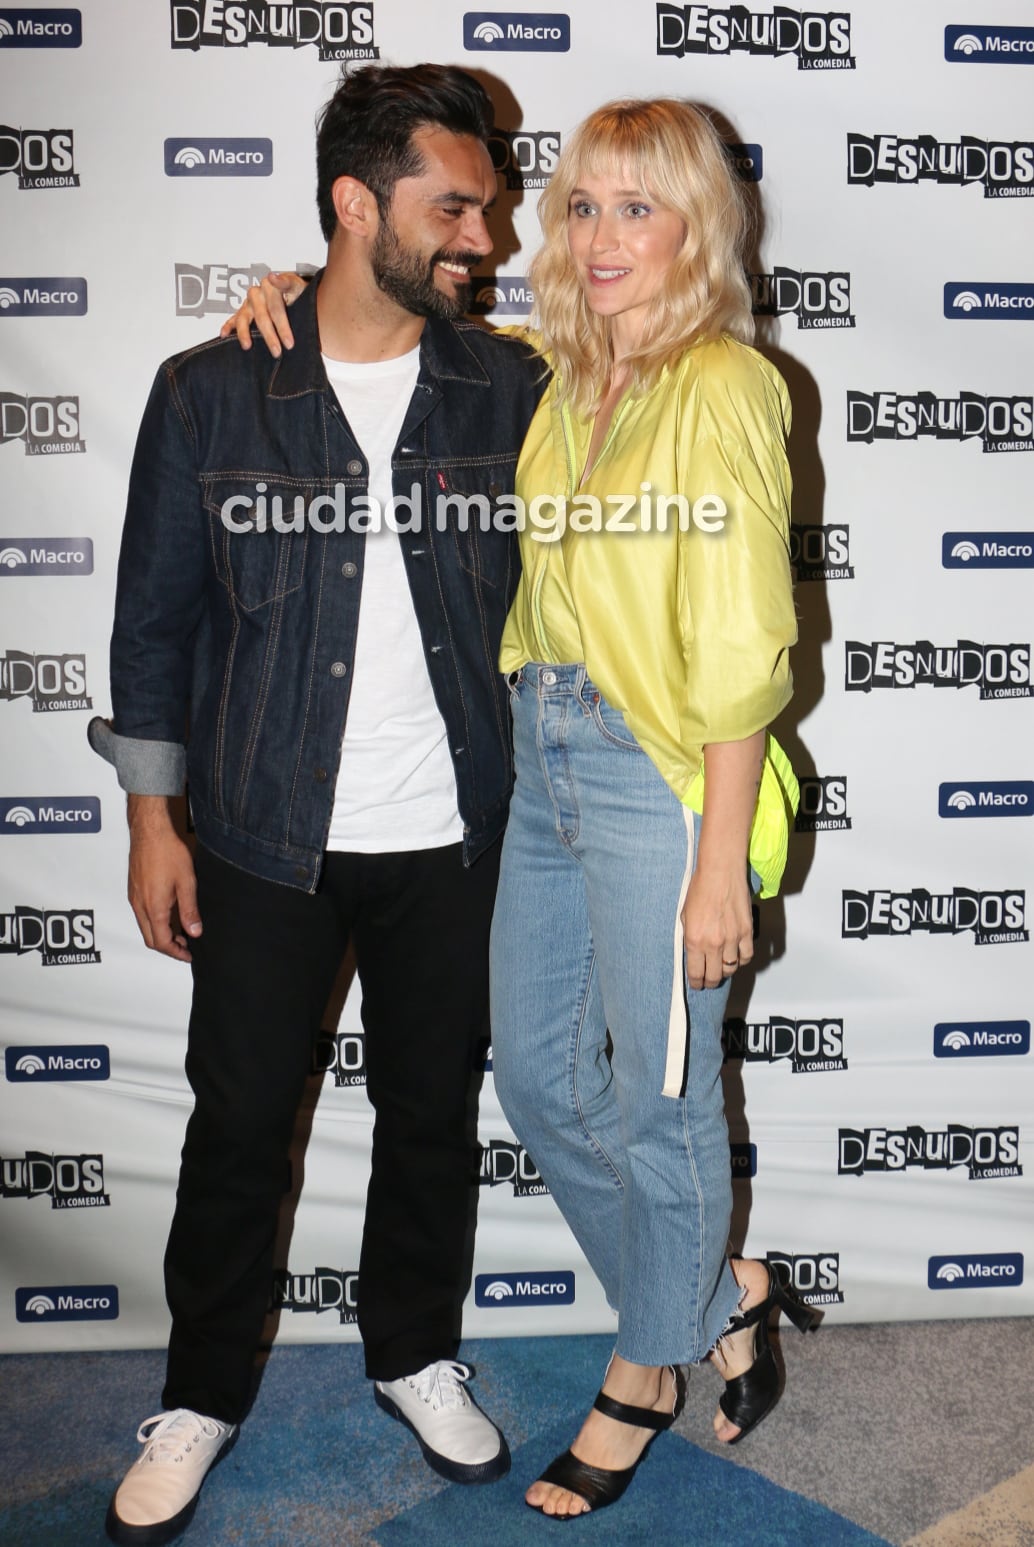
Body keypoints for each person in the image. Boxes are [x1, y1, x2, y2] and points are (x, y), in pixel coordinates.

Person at [236, 95, 814, 1524]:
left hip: (660, 775)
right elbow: (377, 330)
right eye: (583, 204)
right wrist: (283, 297)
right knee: (549, 1087)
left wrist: (717, 865)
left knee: (658, 1099)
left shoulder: (726, 384)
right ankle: (719, 1288)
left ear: (699, 227)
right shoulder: (546, 376)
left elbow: (748, 645)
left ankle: (644, 1367)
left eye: (639, 206)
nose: (597, 233)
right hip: (533, 755)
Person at [88, 63, 544, 1546]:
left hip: (459, 836)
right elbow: (152, 624)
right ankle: (201, 1393)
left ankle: (411, 1353)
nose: (490, 234)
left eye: (487, 203)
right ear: (359, 205)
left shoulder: (511, 385)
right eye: (455, 205)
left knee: (428, 1118)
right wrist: (154, 823)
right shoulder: (214, 388)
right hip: (261, 834)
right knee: (236, 1126)